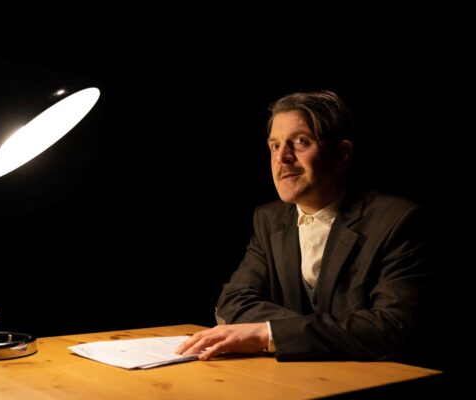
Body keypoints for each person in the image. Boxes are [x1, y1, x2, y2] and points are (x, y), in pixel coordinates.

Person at [176, 90, 432, 362]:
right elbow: (233, 299)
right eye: (275, 145)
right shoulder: (268, 218)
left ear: (341, 155)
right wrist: (297, 333)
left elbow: (393, 327)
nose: (282, 157)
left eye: (300, 141)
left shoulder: (398, 220)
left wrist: (270, 334)